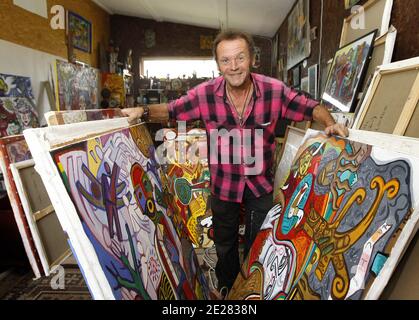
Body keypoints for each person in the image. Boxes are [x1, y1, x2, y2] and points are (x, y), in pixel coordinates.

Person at [122, 30, 349, 297]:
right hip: (223, 187)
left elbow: (309, 107)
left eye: (239, 58)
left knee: (259, 244)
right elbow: (173, 109)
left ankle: (252, 290)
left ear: (252, 59)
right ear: (218, 65)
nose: (233, 66)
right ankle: (229, 288)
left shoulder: (273, 91)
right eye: (226, 60)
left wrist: (330, 123)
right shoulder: (204, 95)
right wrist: (143, 111)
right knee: (225, 245)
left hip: (260, 186)